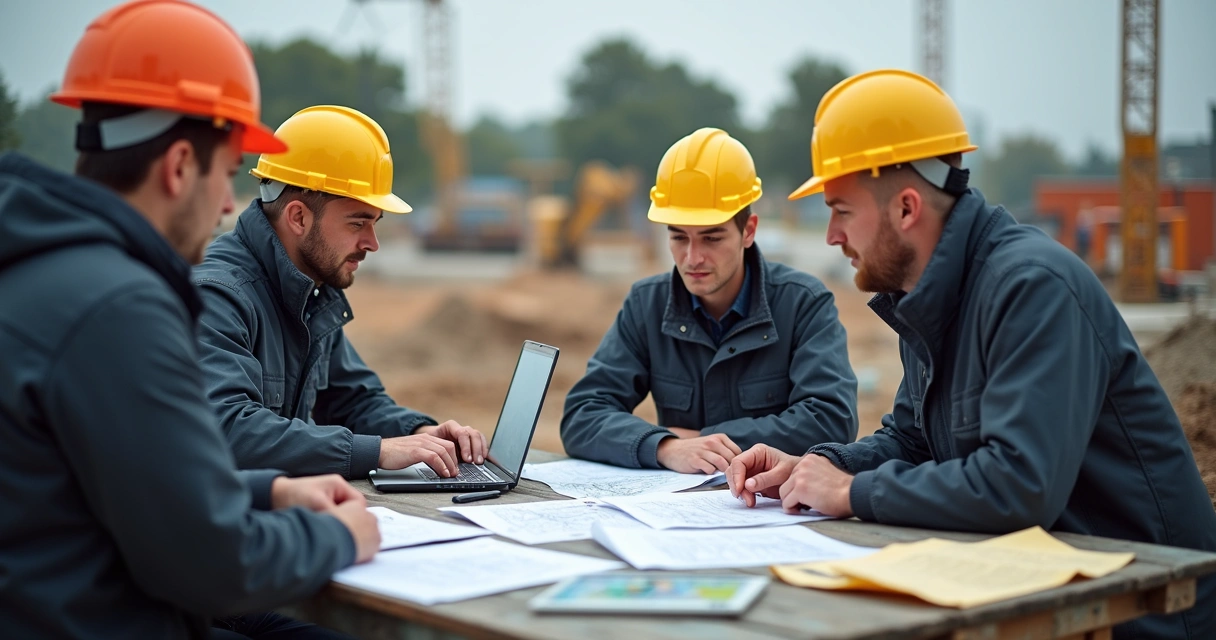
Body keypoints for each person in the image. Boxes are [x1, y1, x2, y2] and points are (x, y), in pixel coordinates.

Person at [726, 69, 1216, 639]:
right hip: (1048, 588)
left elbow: (1019, 485)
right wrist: (819, 468)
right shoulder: (928, 294)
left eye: (840, 209)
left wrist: (851, 493)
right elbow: (912, 439)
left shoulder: (1033, 287)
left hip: (1147, 615)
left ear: (907, 208)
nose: (832, 235)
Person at [0, 1, 380, 638]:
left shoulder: (37, 269)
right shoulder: (120, 308)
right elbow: (211, 566)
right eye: (228, 173)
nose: (231, 204)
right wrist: (335, 537)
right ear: (179, 167)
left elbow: (140, 488)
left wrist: (269, 494)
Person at [193, 105, 485, 480]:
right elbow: (228, 429)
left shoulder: (309, 291)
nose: (372, 243)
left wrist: (419, 433)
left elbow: (353, 400)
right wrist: (377, 451)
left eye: (375, 223)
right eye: (358, 222)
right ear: (298, 217)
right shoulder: (217, 296)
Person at [562, 127, 858, 473]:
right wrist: (665, 446)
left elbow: (830, 420)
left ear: (749, 231)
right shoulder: (647, 305)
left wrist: (703, 440)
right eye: (678, 237)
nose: (692, 257)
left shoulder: (803, 304)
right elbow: (583, 416)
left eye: (711, 238)